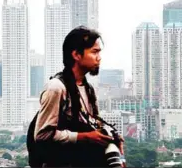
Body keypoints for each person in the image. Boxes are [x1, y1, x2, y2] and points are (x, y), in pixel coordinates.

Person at [33, 25, 124, 167]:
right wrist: (86, 137)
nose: (99, 58)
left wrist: (109, 137)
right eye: (94, 52)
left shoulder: (88, 89)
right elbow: (42, 136)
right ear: (76, 55)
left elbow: (92, 125)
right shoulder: (56, 88)